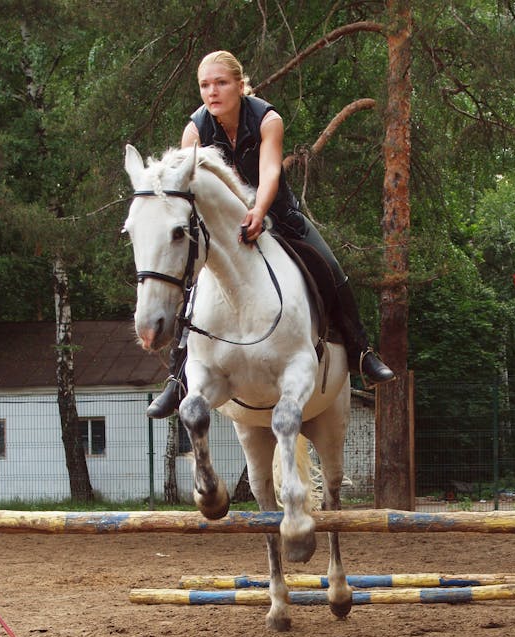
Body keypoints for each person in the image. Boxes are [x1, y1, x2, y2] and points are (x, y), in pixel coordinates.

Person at [146, 50, 394, 419]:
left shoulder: (267, 118)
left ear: (240, 84)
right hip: (221, 229)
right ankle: (176, 378)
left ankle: (362, 353)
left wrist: (259, 212)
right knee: (190, 282)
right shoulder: (195, 130)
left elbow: (271, 172)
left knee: (329, 265)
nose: (212, 92)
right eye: (204, 85)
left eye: (221, 83)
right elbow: (191, 188)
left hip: (278, 214)